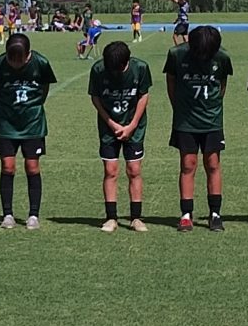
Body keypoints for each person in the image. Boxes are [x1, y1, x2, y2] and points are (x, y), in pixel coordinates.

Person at [0, 30, 58, 229]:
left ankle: (33, 215)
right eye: (12, 60)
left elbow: (44, 88)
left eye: (21, 60)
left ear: (28, 54)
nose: (16, 64)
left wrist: (33, 106)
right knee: (7, 166)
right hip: (6, 124)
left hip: (33, 123)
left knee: (32, 167)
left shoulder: (41, 63)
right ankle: (7, 214)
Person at [164, 23, 232, 230]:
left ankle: (215, 213)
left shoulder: (222, 57)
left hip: (211, 120)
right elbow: (171, 82)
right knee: (188, 164)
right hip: (185, 121)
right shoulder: (176, 55)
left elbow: (221, 86)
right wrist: (179, 108)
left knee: (213, 164)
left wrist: (212, 107)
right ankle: (186, 214)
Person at [87, 37, 153, 232]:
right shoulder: (98, 70)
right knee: (110, 170)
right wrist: (111, 123)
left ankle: (136, 218)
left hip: (134, 127)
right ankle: (111, 218)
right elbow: (95, 98)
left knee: (134, 170)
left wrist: (132, 125)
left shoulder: (140, 68)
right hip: (109, 127)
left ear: (127, 61)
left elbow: (143, 96)